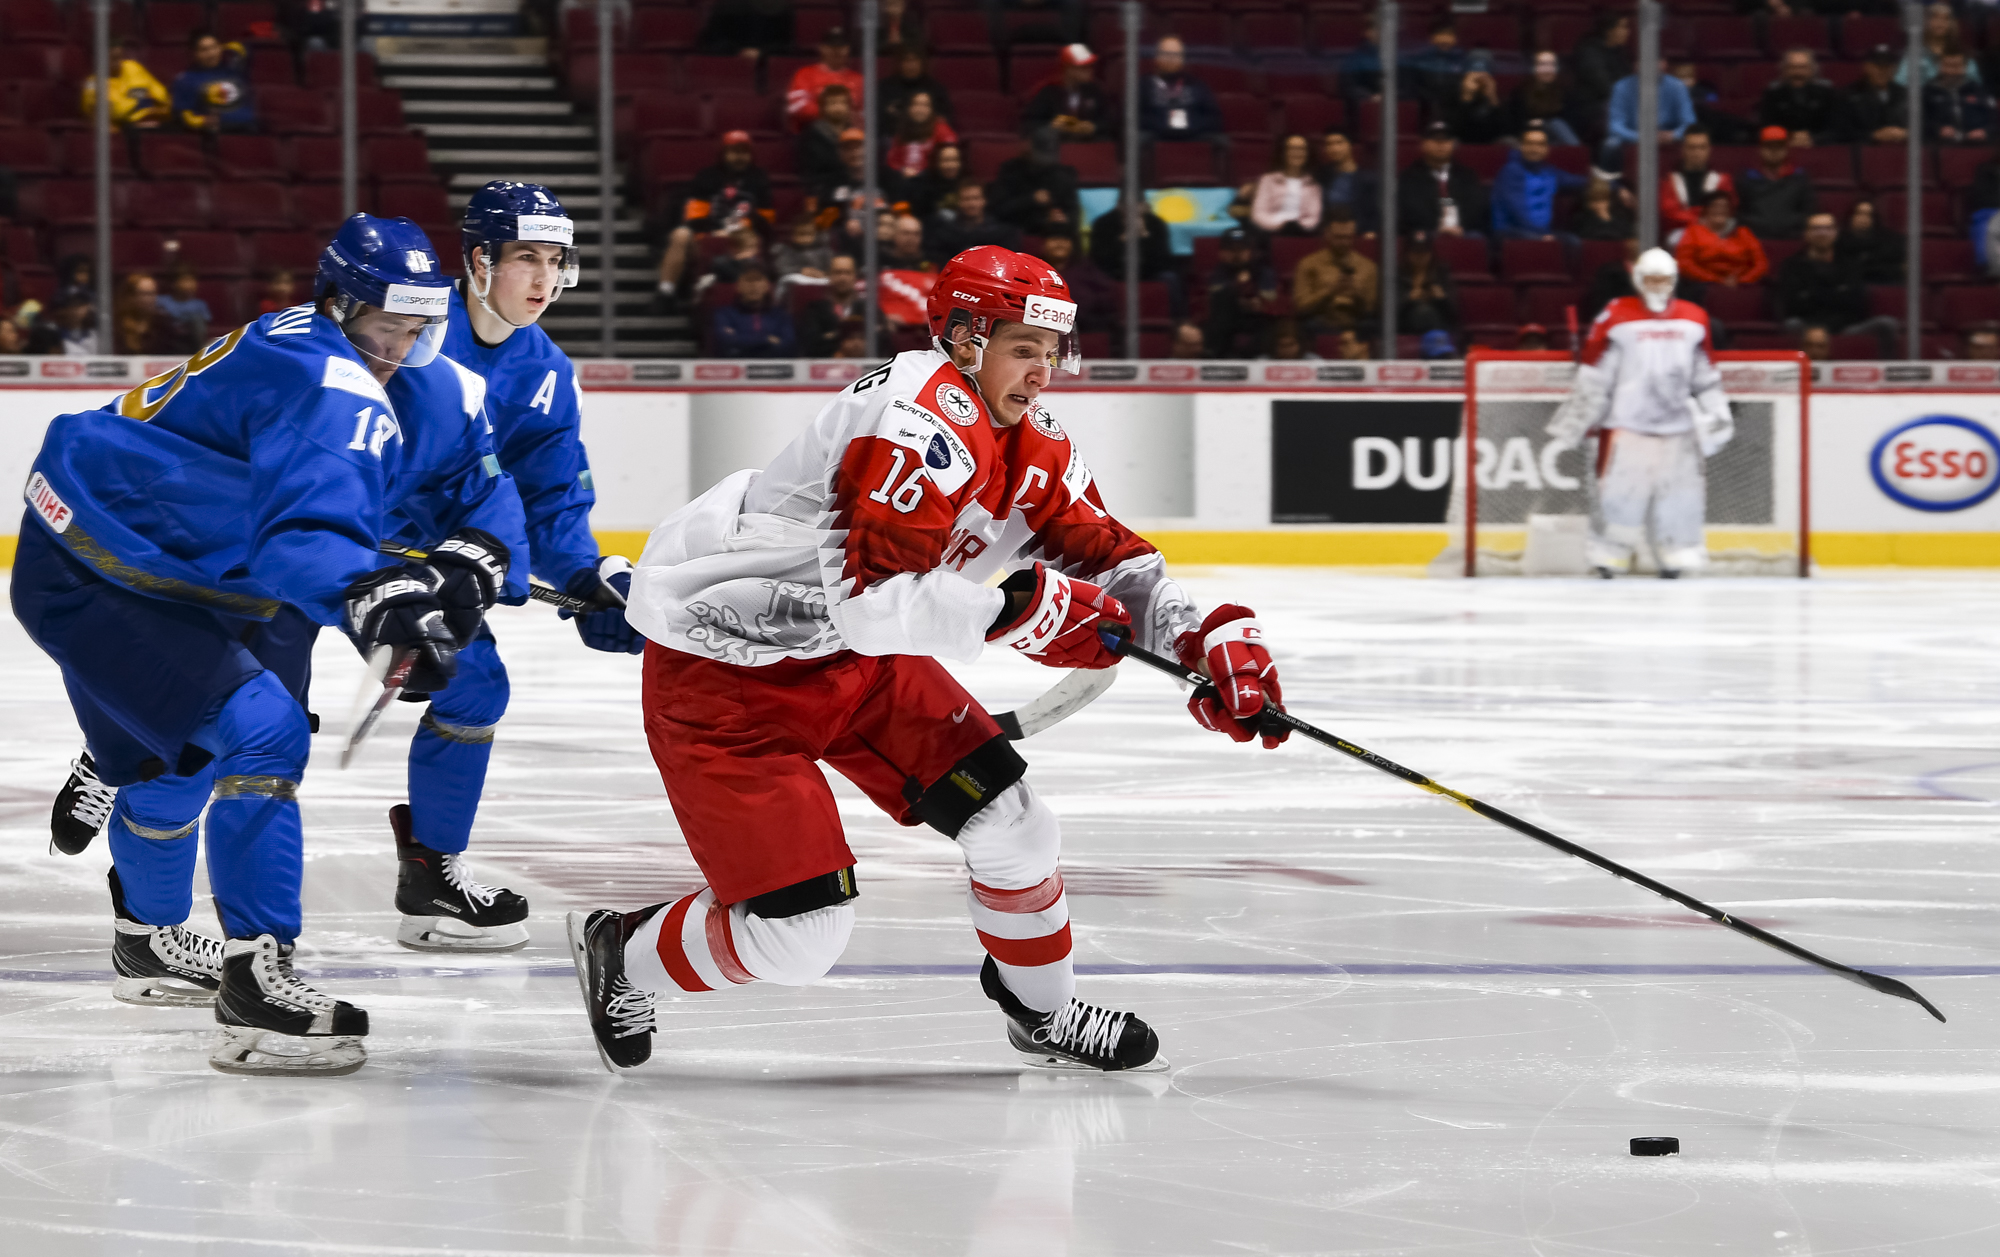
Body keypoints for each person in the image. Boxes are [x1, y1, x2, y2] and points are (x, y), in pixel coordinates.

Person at [565, 245, 1291, 1076]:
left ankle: (1041, 1011)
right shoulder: (919, 411)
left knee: (1016, 825)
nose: (1044, 372)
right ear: (965, 338)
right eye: (1026, 348)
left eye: (1053, 352)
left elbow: (1116, 564)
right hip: (731, 682)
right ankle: (623, 953)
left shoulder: (1029, 437)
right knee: (798, 938)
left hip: (855, 664)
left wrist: (1209, 639)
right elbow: (874, 604)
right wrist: (1028, 612)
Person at [24, 213, 528, 1075]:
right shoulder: (319, 376)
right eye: (384, 326)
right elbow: (307, 536)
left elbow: (478, 479)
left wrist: (480, 557)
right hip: (102, 566)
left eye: (418, 327)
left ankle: (145, 939)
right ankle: (257, 978)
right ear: (337, 305)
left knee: (182, 759)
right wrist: (374, 601)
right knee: (262, 733)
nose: (399, 347)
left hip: (193, 566)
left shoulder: (410, 376)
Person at [1544, 247, 1733, 578]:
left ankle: (1677, 557)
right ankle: (1608, 558)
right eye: (1651, 278)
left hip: (1678, 428)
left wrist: (1716, 411)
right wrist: (1578, 420)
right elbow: (1595, 375)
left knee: (1681, 498)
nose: (1658, 285)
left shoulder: (1694, 318)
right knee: (1618, 498)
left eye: (1664, 279)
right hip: (1627, 426)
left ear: (1674, 280)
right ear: (1638, 279)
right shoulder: (1616, 316)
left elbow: (1705, 374)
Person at [657, 132, 774, 306]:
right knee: (680, 234)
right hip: (707, 238)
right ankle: (665, 293)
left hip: (743, 242)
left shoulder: (760, 179)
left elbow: (767, 222)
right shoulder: (706, 177)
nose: (740, 157)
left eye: (744, 152)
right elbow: (694, 218)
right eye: (734, 152)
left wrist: (740, 228)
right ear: (723, 153)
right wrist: (715, 231)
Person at [1773, 211, 1899, 356]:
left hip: (1846, 329)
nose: (1822, 233)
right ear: (1806, 233)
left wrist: (1813, 294)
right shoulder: (1792, 266)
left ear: (1836, 233)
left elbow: (1858, 303)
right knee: (1792, 324)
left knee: (1887, 324)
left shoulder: (1850, 265)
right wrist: (1837, 293)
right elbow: (1792, 305)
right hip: (1807, 327)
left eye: (1827, 228)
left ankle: (1889, 376)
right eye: (1816, 229)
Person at [1491, 126, 1587, 242]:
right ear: (1521, 146)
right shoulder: (1510, 171)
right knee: (1542, 244)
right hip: (1510, 232)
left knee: (1572, 241)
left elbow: (1580, 182)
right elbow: (1517, 212)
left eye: (1540, 144)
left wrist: (1611, 184)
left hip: (1541, 233)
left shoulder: (1549, 172)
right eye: (1530, 143)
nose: (1534, 149)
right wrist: (1541, 236)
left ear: (1547, 148)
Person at [1291, 210, 1379, 333]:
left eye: (1348, 237)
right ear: (1327, 234)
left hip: (1358, 326)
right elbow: (1301, 307)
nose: (1344, 242)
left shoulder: (1369, 267)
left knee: (1373, 326)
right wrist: (1330, 292)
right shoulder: (1308, 264)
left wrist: (1357, 295)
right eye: (1339, 237)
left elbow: (1372, 309)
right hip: (1320, 324)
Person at [1602, 58, 1696, 174]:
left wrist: (1674, 134)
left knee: (1695, 142)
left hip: (1667, 137)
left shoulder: (1678, 87)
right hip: (1634, 135)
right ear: (1636, 65)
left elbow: (1690, 123)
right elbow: (1614, 127)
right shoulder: (1621, 87)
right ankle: (1613, 187)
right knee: (1611, 144)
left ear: (1664, 64)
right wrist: (1644, 137)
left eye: (1656, 60)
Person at [1581, 236, 1703, 324]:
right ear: (1626, 242)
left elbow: (1683, 300)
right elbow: (1601, 305)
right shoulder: (1610, 272)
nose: (1639, 242)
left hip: (1668, 322)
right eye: (1634, 237)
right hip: (1627, 321)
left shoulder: (1667, 268)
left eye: (1643, 237)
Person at [1397, 123, 1488, 239]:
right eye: (1434, 140)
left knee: (1476, 238)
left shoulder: (1467, 175)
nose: (1440, 144)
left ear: (1453, 144)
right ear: (1423, 144)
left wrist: (1460, 227)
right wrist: (1437, 227)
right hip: (1425, 234)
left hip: (1463, 232)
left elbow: (1476, 208)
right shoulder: (1409, 177)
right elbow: (1410, 211)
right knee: (1418, 237)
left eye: (1446, 140)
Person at [1203, 227, 1280, 357]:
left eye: (1241, 249)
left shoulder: (1264, 273)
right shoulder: (1215, 275)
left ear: (1251, 251)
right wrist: (1237, 289)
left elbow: (1273, 303)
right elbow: (1211, 303)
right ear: (1221, 253)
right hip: (1226, 322)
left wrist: (1259, 304)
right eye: (1231, 249)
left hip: (1257, 320)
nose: (1236, 254)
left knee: (1273, 328)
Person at [1139, 36, 1225, 151]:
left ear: (1183, 59)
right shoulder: (1144, 85)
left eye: (1176, 55)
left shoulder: (1197, 84)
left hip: (1193, 134)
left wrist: (1190, 126)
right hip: (1156, 136)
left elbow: (1214, 119)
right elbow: (1133, 118)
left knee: (1221, 141)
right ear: (1157, 57)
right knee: (1137, 139)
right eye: (1166, 54)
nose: (1171, 58)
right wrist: (1163, 125)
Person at [1023, 44, 1114, 146]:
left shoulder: (1095, 91)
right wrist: (1053, 126)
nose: (1090, 70)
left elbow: (1110, 122)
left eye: (1090, 66)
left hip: (1088, 147)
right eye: (1083, 67)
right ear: (1068, 68)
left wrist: (1093, 127)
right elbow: (1029, 125)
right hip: (1056, 148)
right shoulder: (1048, 92)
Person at [990, 134, 1081, 237]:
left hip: (1054, 233)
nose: (1043, 162)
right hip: (1017, 230)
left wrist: (1063, 218)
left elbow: (1073, 213)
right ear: (1027, 146)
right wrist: (1031, 199)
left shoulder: (1063, 176)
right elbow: (999, 210)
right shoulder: (1010, 171)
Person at [1735, 126, 1816, 242]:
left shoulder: (1800, 177)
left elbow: (1809, 212)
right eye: (1769, 146)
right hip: (1754, 239)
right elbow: (1740, 213)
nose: (1774, 151)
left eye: (1779, 147)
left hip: (1792, 239)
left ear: (1787, 149)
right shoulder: (1746, 178)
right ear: (1760, 149)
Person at [1675, 190, 1768, 287]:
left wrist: (1742, 280)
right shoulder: (1693, 232)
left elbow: (1761, 264)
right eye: (1715, 206)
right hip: (1704, 284)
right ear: (1705, 210)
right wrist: (1715, 279)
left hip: (1742, 285)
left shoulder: (1743, 232)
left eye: (1724, 206)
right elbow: (1685, 264)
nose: (1720, 210)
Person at [171, 29, 255, 134]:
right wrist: (202, 121)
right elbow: (185, 117)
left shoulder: (234, 71)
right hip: (218, 134)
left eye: (214, 47)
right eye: (204, 50)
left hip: (250, 130)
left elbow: (241, 48)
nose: (211, 53)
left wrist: (225, 47)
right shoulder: (186, 80)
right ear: (194, 53)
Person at [1661, 128, 1734, 247]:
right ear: (1683, 150)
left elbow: (1727, 211)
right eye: (1692, 147)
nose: (1697, 152)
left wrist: (1691, 213)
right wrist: (1702, 218)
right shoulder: (1669, 181)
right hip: (1682, 235)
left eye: (1702, 147)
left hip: (1716, 233)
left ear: (1709, 150)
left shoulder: (1722, 180)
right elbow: (1670, 214)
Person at [797, 253, 880, 358]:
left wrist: (832, 336)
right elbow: (811, 344)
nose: (842, 278)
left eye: (847, 273)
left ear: (855, 276)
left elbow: (881, 339)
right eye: (837, 272)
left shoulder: (868, 309)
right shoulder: (815, 309)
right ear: (829, 275)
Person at [79, 36, 170, 131]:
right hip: (127, 128)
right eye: (113, 58)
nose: (118, 63)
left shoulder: (133, 67)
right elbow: (114, 111)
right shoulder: (93, 83)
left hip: (155, 117)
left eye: (120, 57)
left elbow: (161, 94)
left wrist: (131, 99)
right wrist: (139, 98)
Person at [786, 25, 865, 132]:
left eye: (841, 47)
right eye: (831, 47)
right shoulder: (805, 74)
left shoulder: (859, 79)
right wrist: (833, 114)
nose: (836, 51)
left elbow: (866, 113)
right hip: (814, 134)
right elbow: (796, 107)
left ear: (848, 49)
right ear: (822, 48)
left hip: (851, 135)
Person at [709, 263, 797, 357]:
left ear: (767, 286)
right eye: (748, 280)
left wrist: (742, 342)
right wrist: (766, 339)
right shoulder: (724, 314)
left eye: (758, 280)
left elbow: (788, 344)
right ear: (738, 286)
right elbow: (726, 340)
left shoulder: (781, 316)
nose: (753, 285)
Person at [928, 179, 1025, 262]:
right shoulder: (944, 233)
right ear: (958, 202)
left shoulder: (1002, 233)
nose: (971, 204)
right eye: (966, 199)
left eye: (975, 198)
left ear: (984, 200)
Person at [1758, 49, 1841, 147]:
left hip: (1821, 149)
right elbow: (1767, 127)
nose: (1797, 73)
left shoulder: (1827, 94)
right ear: (1784, 70)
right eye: (1792, 67)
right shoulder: (1772, 95)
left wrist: (1814, 139)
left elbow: (1836, 129)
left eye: (1803, 67)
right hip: (1783, 148)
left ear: (1812, 69)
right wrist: (1789, 137)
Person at [1037, 233, 1115, 334]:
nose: (1059, 243)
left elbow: (1105, 302)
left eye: (1065, 239)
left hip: (1085, 331)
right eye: (1054, 238)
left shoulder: (1088, 270)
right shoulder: (1034, 270)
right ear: (1043, 245)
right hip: (1041, 330)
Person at [1246, 135, 1323, 237]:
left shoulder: (1313, 184)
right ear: (1284, 153)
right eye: (1292, 149)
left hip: (1302, 233)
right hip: (1271, 232)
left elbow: (1314, 218)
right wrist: (1279, 225)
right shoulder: (1268, 180)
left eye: (1301, 149)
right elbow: (1258, 213)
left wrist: (1297, 226)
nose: (1297, 153)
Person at [1089, 195, 1176, 284]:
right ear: (1119, 206)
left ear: (1144, 206)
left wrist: (1145, 235)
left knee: (1169, 277)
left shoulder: (1156, 223)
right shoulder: (1103, 223)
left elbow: (1164, 259)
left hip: (1149, 271)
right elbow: (1098, 259)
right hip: (1114, 271)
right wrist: (1124, 238)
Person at [1840, 46, 1911, 145]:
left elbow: (1921, 127)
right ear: (1867, 67)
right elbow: (1840, 133)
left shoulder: (1905, 94)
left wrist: (1908, 133)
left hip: (1901, 150)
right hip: (1865, 152)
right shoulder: (1848, 94)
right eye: (1877, 66)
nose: (1882, 71)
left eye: (1887, 66)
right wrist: (1872, 135)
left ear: (1895, 68)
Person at [1508, 51, 1581, 148]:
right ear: (1534, 68)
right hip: (1529, 137)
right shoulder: (1521, 92)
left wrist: (1543, 123)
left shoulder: (1566, 93)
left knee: (1557, 124)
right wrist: (1538, 125)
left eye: (1551, 65)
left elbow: (1572, 123)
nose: (1547, 69)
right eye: (1542, 65)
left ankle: (1577, 152)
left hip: (1557, 140)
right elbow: (1517, 123)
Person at [1897, 3, 1980, 88]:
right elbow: (1902, 82)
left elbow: (1975, 82)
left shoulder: (1962, 51)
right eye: (1935, 18)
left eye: (1946, 19)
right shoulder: (1914, 52)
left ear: (1952, 23)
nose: (1940, 23)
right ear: (1926, 21)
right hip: (1924, 98)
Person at [1572, 14, 1633, 128]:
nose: (1627, 31)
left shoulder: (1620, 52)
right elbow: (1604, 86)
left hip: (1614, 102)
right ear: (1609, 31)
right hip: (1591, 107)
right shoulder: (1589, 52)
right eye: (1623, 27)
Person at [1400, 17, 1469, 117]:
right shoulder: (1417, 60)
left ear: (1456, 38)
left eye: (1449, 34)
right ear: (1431, 37)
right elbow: (1411, 90)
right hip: (1424, 112)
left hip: (1454, 113)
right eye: (1440, 34)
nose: (1445, 39)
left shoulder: (1463, 61)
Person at [1675, 60, 1751, 146]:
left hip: (1708, 123)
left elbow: (1713, 104)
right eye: (1680, 78)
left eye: (1689, 77)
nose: (1685, 82)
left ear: (1694, 78)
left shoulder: (1704, 90)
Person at [885, 90, 958, 180]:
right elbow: (892, 162)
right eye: (916, 104)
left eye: (925, 105)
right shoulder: (902, 132)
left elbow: (950, 158)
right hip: (903, 181)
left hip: (932, 181)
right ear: (909, 108)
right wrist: (902, 170)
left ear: (932, 109)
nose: (920, 109)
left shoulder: (942, 130)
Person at [1924, 52, 1994, 144]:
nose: (1952, 71)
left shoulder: (1978, 91)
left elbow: (1995, 122)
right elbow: (1920, 122)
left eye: (1957, 66)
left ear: (1965, 68)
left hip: (1978, 147)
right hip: (1940, 147)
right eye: (1948, 66)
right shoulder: (1928, 92)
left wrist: (1985, 132)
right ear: (1939, 67)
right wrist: (1937, 130)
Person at [798, 84, 859, 190]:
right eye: (832, 103)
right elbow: (815, 168)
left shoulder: (855, 133)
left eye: (842, 103)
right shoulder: (812, 135)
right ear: (823, 107)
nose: (838, 107)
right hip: (825, 186)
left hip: (854, 183)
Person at [879, 44, 953, 131]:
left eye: (915, 60)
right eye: (907, 61)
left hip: (927, 137)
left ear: (922, 63)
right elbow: (879, 120)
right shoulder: (885, 87)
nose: (911, 65)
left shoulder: (936, 89)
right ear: (899, 63)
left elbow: (945, 119)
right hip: (893, 137)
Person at [1317, 132, 1379, 236]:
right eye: (1329, 144)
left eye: (1339, 143)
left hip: (1358, 234)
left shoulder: (1368, 179)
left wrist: (1371, 230)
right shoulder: (1321, 176)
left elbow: (1374, 211)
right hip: (1328, 234)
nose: (1334, 148)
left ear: (1350, 146)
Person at [1397, 232, 1458, 336]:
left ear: (1431, 253)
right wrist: (1408, 298)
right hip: (1406, 323)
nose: (1420, 257)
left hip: (1437, 320)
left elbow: (1455, 312)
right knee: (1424, 312)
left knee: (1429, 314)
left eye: (1424, 252)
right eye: (1416, 252)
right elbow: (1389, 312)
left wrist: (1442, 298)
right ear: (1407, 253)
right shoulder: (1398, 274)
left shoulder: (1440, 272)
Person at [1838, 198, 1905, 284]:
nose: (1863, 218)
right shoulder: (1839, 241)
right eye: (1859, 213)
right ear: (1850, 216)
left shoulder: (1890, 242)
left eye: (1868, 215)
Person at [698, 0, 793, 59]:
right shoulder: (724, 6)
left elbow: (786, 45)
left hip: (769, 66)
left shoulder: (781, 7)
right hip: (729, 65)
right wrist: (738, 51)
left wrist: (762, 53)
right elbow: (713, 41)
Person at [897, 143, 966, 223]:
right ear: (936, 162)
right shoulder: (918, 185)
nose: (951, 165)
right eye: (946, 160)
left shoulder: (964, 183)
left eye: (955, 160)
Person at [112, 273, 177, 355]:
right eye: (144, 294)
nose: (149, 299)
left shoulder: (164, 325)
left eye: (152, 294)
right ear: (130, 296)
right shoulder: (115, 325)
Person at [1338, 17, 1385, 121]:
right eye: (1379, 29)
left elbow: (1407, 85)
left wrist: (1392, 96)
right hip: (1367, 107)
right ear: (1368, 32)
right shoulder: (1355, 58)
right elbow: (1348, 86)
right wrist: (1371, 97)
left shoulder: (1399, 57)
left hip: (1396, 106)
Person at [26, 288, 98, 355]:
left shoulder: (96, 335)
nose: (85, 308)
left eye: (83, 304)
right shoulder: (47, 334)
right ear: (61, 310)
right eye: (75, 305)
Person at [1447, 69, 1509, 146]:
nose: (1480, 82)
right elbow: (1453, 130)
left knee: (1509, 141)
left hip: (1492, 140)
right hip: (1463, 139)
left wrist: (1492, 98)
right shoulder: (1453, 96)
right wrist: (1467, 96)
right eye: (1476, 79)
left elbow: (1505, 130)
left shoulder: (1499, 96)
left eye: (1484, 78)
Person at [155, 268, 211, 351]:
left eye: (193, 281)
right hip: (167, 339)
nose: (190, 285)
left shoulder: (199, 304)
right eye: (185, 281)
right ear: (173, 283)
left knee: (196, 319)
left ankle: (200, 353)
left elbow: (203, 326)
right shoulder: (162, 301)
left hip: (190, 341)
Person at [1568, 178, 1635, 242]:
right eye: (1595, 200)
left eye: (1603, 200)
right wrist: (1602, 216)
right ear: (1587, 203)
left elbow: (1625, 234)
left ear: (1610, 201)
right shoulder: (1581, 219)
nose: (1599, 204)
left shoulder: (1620, 217)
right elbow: (1593, 236)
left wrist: (1606, 217)